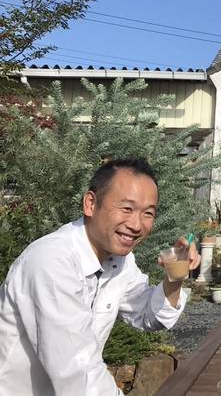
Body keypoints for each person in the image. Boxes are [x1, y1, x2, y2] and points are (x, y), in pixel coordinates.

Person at [0, 157, 200, 395]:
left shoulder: (119, 261)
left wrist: (175, 275)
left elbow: (149, 316)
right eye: (126, 208)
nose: (137, 225)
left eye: (148, 213)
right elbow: (77, 371)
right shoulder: (51, 261)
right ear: (90, 204)